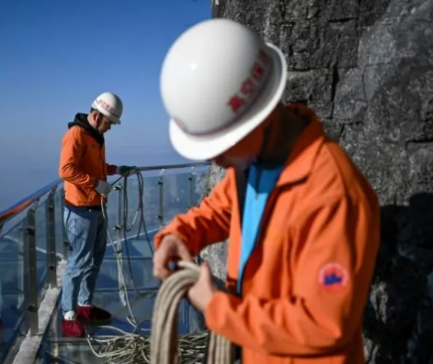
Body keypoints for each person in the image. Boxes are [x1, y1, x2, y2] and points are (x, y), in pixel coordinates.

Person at [152, 18, 381, 364]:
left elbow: (324, 323)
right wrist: (179, 235)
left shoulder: (333, 194)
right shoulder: (256, 162)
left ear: (259, 119)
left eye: (221, 143)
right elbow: (220, 209)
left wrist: (218, 307)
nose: (216, 158)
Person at [58, 92, 136, 337]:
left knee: (95, 259)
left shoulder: (96, 136)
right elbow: (66, 169)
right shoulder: (76, 135)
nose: (110, 127)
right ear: (96, 115)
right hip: (80, 210)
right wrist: (94, 183)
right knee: (78, 262)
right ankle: (68, 315)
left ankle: (84, 306)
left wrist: (115, 169)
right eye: (109, 122)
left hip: (96, 207)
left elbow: (96, 166)